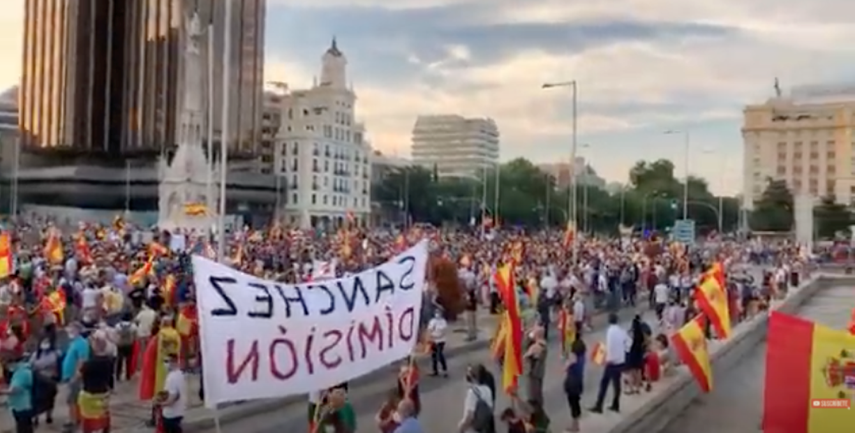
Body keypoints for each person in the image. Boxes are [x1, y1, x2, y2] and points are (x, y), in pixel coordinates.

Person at [590, 313, 628, 414]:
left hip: (612, 362)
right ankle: (616, 404)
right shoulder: (621, 330)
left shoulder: (610, 331)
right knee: (617, 384)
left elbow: (610, 346)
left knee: (604, 383)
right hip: (620, 361)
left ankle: (599, 405)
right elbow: (627, 343)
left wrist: (608, 359)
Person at [78, 331, 114, 433]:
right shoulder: (109, 361)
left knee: (88, 419)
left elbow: (79, 375)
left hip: (90, 393)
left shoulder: (89, 364)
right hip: (103, 392)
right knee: (103, 415)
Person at [30, 334, 61, 426]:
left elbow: (50, 361)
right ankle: (36, 418)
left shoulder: (55, 352)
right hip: (38, 380)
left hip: (50, 379)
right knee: (36, 399)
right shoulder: (36, 354)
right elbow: (31, 364)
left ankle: (49, 416)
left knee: (50, 399)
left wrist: (37, 365)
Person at [1, 353, 34, 433]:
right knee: (26, 427)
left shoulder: (21, 373)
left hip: (22, 405)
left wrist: (2, 392)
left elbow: (15, 390)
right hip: (23, 405)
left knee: (23, 428)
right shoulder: (23, 370)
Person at [458, 364, 494, 433]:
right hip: (485, 428)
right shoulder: (487, 389)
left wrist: (461, 427)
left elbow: (470, 416)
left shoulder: (472, 393)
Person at [157, 353, 186, 433]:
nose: (165, 364)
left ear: (173, 362)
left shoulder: (171, 378)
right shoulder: (180, 374)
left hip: (171, 414)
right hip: (179, 411)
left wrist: (161, 404)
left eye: (166, 361)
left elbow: (173, 397)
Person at [564, 338, 586, 432]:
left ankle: (575, 426)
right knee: (576, 402)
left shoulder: (573, 358)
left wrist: (569, 357)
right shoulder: (582, 357)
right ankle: (576, 422)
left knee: (573, 404)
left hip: (572, 383)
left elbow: (565, 367)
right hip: (579, 382)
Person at [426, 310, 449, 377]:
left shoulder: (443, 322)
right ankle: (435, 370)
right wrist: (429, 338)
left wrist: (435, 335)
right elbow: (429, 330)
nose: (437, 314)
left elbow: (442, 332)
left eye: (439, 313)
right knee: (434, 356)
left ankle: (445, 370)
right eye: (436, 313)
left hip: (441, 341)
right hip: (433, 341)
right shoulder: (432, 321)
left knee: (439, 355)